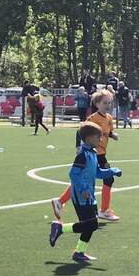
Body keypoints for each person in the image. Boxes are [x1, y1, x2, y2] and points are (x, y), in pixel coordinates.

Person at [47, 123, 123, 263]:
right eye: (98, 137)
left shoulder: (92, 154)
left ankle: (79, 252)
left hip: (89, 196)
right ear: (89, 138)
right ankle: (60, 228)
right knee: (91, 225)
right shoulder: (82, 155)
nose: (101, 139)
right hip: (81, 197)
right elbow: (73, 174)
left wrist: (112, 171)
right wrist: (83, 189)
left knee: (90, 225)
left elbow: (97, 173)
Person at [52, 89, 120, 221]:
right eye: (105, 103)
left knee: (87, 179)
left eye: (109, 103)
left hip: (101, 153)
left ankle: (60, 202)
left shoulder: (109, 118)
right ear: (97, 104)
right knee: (108, 178)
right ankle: (104, 210)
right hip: (92, 154)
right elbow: (81, 131)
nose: (108, 105)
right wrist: (78, 147)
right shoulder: (93, 118)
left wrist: (113, 135)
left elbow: (108, 132)